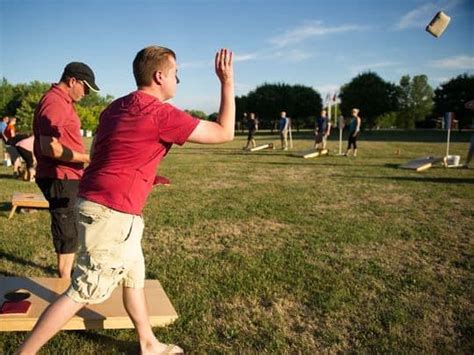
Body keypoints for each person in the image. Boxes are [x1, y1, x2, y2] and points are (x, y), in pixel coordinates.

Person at [17, 46, 235, 355]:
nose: (178, 80)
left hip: (103, 203)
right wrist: (226, 81)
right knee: (83, 290)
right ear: (160, 76)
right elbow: (225, 132)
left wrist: (144, 175)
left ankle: (148, 344)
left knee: (134, 276)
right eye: (176, 74)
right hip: (112, 213)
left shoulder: (116, 107)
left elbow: (109, 154)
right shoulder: (160, 113)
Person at [32, 62, 99, 280]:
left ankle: (66, 277)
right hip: (60, 176)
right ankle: (63, 282)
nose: (87, 93)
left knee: (70, 226)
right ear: (73, 81)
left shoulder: (62, 102)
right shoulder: (55, 103)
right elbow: (48, 147)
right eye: (86, 88)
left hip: (67, 175)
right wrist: (87, 158)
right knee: (66, 229)